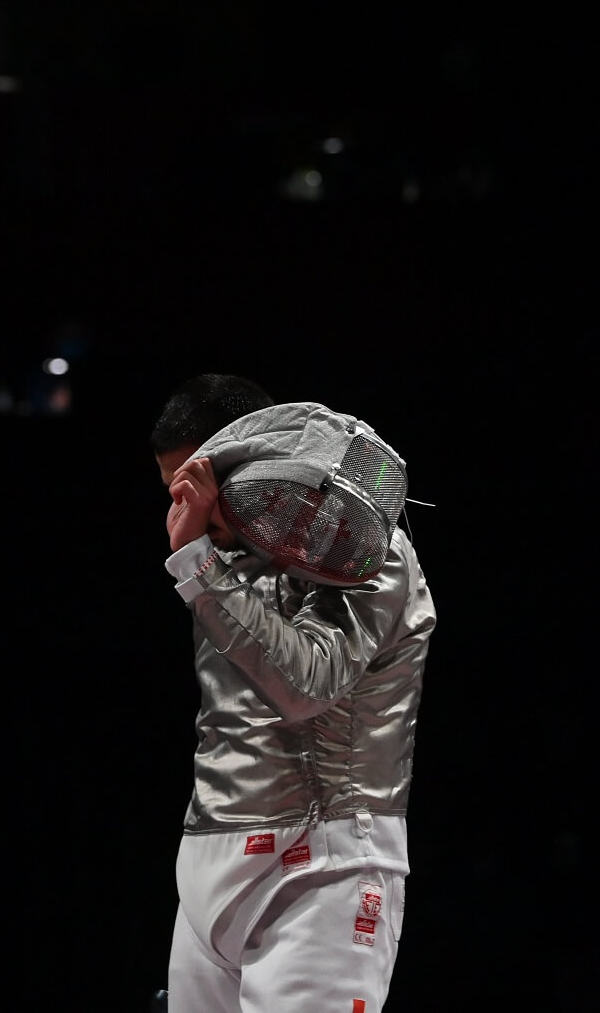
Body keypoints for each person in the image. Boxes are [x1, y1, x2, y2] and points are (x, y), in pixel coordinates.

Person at [150, 373, 436, 1013]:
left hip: (323, 865)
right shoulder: (225, 559)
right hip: (208, 861)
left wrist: (196, 564)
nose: (186, 509)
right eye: (174, 491)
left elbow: (310, 684)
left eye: (197, 486)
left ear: (248, 461)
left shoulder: (367, 547)